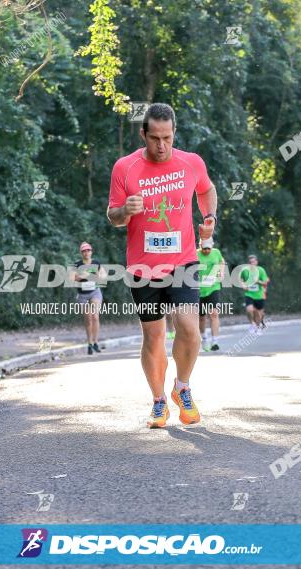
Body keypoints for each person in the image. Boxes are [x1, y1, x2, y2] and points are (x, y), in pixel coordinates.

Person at [106, 103, 217, 429]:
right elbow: (113, 217)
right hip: (143, 268)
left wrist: (209, 218)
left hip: (183, 260)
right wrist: (125, 209)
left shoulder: (191, 162)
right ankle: (158, 402)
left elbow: (207, 190)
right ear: (143, 134)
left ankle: (182, 387)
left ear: (174, 133)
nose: (161, 145)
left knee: (190, 330)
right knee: (153, 337)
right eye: (154, 138)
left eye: (167, 137)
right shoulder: (125, 168)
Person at [70, 242, 103, 355]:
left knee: (95, 316)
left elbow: (100, 278)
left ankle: (95, 342)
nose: (86, 252)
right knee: (88, 319)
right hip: (82, 294)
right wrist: (83, 276)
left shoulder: (96, 263)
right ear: (81, 253)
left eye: (88, 250)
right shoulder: (77, 264)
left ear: (91, 251)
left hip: (95, 292)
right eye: (84, 251)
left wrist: (92, 275)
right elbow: (73, 279)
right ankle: (89, 343)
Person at [197, 238, 226, 351]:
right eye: (204, 248)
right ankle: (204, 338)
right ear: (200, 246)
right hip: (199, 290)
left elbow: (221, 261)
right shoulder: (195, 254)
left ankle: (215, 341)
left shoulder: (216, 252)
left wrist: (221, 272)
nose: (207, 250)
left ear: (212, 246)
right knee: (201, 318)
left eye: (209, 248)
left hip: (213, 287)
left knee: (213, 314)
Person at [240, 255, 270, 333]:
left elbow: (265, 283)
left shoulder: (261, 270)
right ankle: (252, 324)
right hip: (249, 294)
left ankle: (258, 327)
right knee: (249, 309)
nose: (252, 263)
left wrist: (258, 281)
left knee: (260, 314)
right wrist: (243, 285)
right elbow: (241, 279)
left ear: (256, 262)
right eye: (250, 262)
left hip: (259, 295)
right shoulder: (245, 271)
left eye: (253, 262)